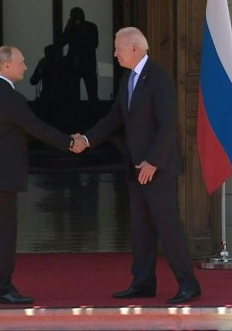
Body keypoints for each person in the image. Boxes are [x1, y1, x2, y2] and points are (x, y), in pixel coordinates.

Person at [71, 27, 201, 304]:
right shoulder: (127, 79)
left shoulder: (158, 78)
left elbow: (167, 126)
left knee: (168, 227)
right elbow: (114, 117)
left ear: (134, 48)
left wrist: (153, 161)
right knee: (141, 228)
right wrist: (86, 138)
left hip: (157, 168)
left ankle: (189, 284)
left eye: (118, 48)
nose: (114, 53)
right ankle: (143, 282)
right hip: (134, 166)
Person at [0, 45, 76, 305]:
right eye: (21, 62)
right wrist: (70, 142)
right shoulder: (9, 97)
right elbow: (37, 128)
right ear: (7, 65)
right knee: (5, 233)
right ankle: (3, 289)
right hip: (1, 175)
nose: (25, 66)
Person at [57, 7, 99, 103]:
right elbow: (60, 43)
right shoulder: (72, 29)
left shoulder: (90, 27)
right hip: (76, 64)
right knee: (74, 94)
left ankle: (92, 111)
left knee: (91, 93)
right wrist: (67, 29)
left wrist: (84, 33)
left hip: (86, 64)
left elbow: (94, 44)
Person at [29, 44, 67, 127]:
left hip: (57, 98)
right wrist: (40, 70)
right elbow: (33, 80)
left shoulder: (60, 65)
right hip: (49, 98)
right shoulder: (44, 64)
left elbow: (33, 81)